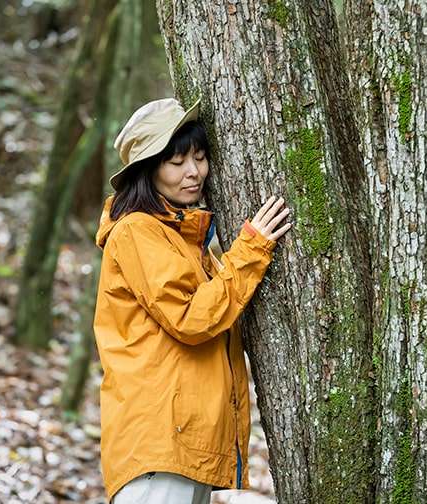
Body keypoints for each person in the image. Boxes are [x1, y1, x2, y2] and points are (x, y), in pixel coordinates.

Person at [92, 97, 291, 503]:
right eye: (177, 161)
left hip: (180, 442)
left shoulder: (183, 240)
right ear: (148, 171)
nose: (194, 172)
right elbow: (192, 318)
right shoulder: (136, 232)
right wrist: (252, 250)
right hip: (158, 443)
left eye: (199, 157)